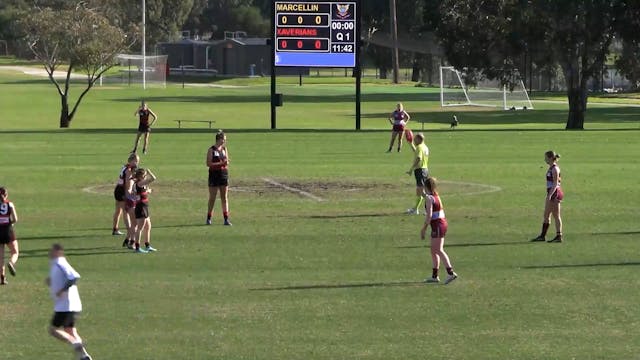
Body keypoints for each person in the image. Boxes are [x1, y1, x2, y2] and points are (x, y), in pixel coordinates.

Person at [46, 243, 92, 360]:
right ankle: (84, 356)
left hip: (66, 305)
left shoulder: (60, 262)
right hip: (70, 305)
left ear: (58, 252)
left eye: (52, 250)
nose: (49, 252)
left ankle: (76, 344)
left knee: (53, 330)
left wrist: (62, 290)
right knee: (70, 330)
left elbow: (74, 277)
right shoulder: (56, 264)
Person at [420, 177, 458, 284]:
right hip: (442, 223)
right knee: (433, 250)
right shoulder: (435, 195)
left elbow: (429, 216)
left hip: (437, 224)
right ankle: (434, 276)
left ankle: (450, 273)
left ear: (425, 186)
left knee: (438, 250)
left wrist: (423, 229)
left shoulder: (429, 198)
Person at [531, 151, 564, 243]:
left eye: (546, 158)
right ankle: (542, 236)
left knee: (556, 215)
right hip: (551, 193)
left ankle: (559, 235)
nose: (544, 159)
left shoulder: (555, 169)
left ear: (550, 158)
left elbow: (555, 183)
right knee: (546, 215)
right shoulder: (551, 168)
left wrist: (550, 195)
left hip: (555, 193)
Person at [206, 130, 232, 226]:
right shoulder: (211, 150)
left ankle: (226, 218)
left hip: (223, 174)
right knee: (212, 198)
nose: (225, 141)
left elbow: (227, 161)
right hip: (214, 175)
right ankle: (209, 217)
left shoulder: (224, 149)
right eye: (224, 139)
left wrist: (226, 163)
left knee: (224, 197)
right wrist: (221, 163)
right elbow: (208, 163)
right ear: (219, 139)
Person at [112, 153, 139, 237]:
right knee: (126, 212)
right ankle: (130, 231)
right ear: (131, 161)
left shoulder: (125, 166)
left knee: (118, 211)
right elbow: (128, 185)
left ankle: (115, 229)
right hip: (122, 191)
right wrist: (131, 193)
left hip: (118, 189)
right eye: (136, 161)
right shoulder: (129, 171)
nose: (137, 163)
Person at [132, 168, 157, 253]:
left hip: (144, 206)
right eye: (145, 175)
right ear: (141, 176)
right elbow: (153, 178)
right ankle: (137, 247)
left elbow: (141, 193)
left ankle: (147, 245)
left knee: (148, 226)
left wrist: (148, 191)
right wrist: (149, 172)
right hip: (141, 207)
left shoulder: (140, 184)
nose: (146, 176)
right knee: (140, 228)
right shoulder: (140, 183)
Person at [406, 133, 429, 215]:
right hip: (425, 169)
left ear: (419, 139)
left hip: (420, 170)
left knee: (421, 191)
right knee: (419, 190)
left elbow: (418, 158)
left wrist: (411, 169)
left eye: (415, 139)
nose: (414, 140)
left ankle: (429, 207)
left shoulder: (419, 147)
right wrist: (410, 144)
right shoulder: (425, 147)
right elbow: (416, 152)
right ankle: (416, 209)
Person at [0, 187, 19, 285]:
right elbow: (15, 219)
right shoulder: (10, 204)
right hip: (8, 230)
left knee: (1, 256)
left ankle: (2, 278)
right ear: (6, 194)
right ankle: (11, 263)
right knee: (15, 252)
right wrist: (10, 223)